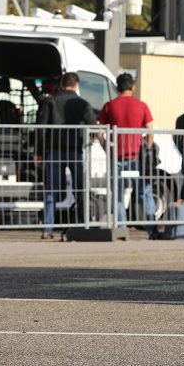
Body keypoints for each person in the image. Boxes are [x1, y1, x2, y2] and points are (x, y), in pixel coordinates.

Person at [35, 72, 96, 240]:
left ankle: (48, 228)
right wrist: (90, 139)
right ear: (76, 85)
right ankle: (82, 224)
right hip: (75, 150)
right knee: (79, 189)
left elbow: (41, 129)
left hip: (54, 151)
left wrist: (39, 152)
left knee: (51, 190)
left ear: (62, 84)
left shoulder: (50, 102)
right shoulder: (82, 103)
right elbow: (93, 124)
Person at [98, 73, 155, 228]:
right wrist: (147, 149)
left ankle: (122, 228)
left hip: (116, 156)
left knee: (117, 195)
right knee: (145, 192)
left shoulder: (109, 106)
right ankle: (151, 228)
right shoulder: (142, 105)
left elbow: (99, 132)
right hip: (136, 156)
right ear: (133, 87)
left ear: (117, 88)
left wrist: (106, 149)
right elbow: (150, 131)